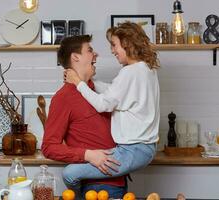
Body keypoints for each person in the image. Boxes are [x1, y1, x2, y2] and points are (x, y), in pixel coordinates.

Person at [63, 21, 160, 193]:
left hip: (133, 150)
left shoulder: (130, 72)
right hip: (143, 149)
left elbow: (103, 104)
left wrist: (78, 82)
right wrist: (86, 82)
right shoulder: (145, 69)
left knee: (70, 174)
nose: (112, 50)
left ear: (127, 44)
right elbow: (114, 93)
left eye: (114, 45)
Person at [41, 35, 127, 199]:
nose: (96, 55)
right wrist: (88, 155)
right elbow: (49, 146)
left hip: (119, 178)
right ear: (75, 57)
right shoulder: (64, 98)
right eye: (89, 50)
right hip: (96, 186)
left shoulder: (97, 90)